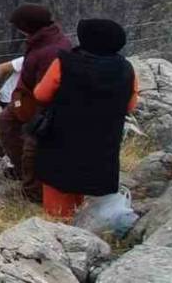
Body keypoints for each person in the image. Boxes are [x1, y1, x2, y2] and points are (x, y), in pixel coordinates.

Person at [34, 19, 139, 220]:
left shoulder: (64, 63)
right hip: (103, 141)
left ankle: (59, 228)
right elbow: (130, 105)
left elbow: (41, 94)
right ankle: (85, 227)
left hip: (62, 137)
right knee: (89, 185)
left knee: (58, 188)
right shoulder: (126, 69)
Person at [0, 4, 73, 201]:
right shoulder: (42, 40)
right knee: (5, 122)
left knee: (32, 144)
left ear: (27, 26)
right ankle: (23, 172)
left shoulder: (51, 50)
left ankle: (33, 190)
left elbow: (48, 87)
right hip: (25, 98)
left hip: (41, 104)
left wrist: (37, 115)